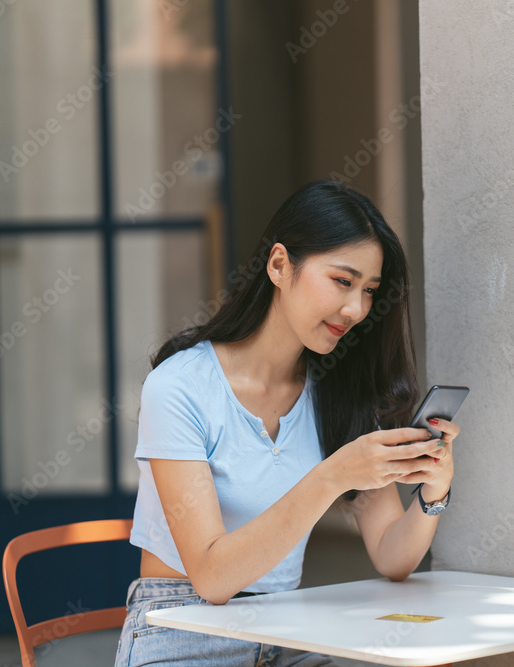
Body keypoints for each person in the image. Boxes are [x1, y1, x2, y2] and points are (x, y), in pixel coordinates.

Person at [114, 180, 458, 666]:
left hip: (287, 628)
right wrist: (334, 475)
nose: (357, 309)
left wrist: (434, 491)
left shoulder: (338, 393)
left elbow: (391, 556)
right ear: (279, 265)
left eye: (369, 291)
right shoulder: (180, 388)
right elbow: (213, 578)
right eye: (342, 281)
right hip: (184, 628)